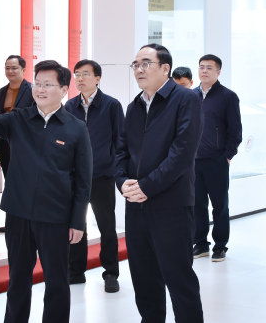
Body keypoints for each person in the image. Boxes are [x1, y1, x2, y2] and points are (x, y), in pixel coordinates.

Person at [0, 60, 92, 323]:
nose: (40, 89)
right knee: (18, 278)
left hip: (56, 217)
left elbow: (84, 181)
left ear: (64, 90)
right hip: (18, 213)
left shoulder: (76, 128)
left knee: (57, 281)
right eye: (37, 83)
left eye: (48, 84)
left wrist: (77, 221)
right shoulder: (19, 118)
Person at [116, 44, 204, 322]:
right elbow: (121, 151)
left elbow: (182, 153)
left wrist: (147, 186)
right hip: (136, 207)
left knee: (179, 279)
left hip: (171, 205)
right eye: (136, 64)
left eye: (146, 63)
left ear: (165, 68)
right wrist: (122, 182)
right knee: (143, 279)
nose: (139, 70)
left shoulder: (186, 100)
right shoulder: (134, 106)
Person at [65, 59, 124, 293]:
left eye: (85, 74)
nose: (80, 78)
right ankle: (76, 271)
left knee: (107, 227)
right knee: (76, 225)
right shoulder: (69, 106)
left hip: (102, 176)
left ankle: (111, 273)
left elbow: (120, 140)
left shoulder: (111, 105)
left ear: (98, 78)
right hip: (75, 177)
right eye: (77, 74)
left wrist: (115, 170)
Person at [193, 54, 242, 262]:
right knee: (197, 204)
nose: (204, 71)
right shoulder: (191, 96)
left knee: (219, 205)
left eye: (209, 68)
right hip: (193, 161)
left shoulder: (228, 96)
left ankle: (220, 245)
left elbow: (235, 130)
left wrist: (228, 155)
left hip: (217, 160)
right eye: (201, 67)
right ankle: (200, 244)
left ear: (218, 72)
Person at [0, 55, 34, 233]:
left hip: (25, 146)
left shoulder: (32, 90)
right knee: (10, 185)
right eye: (7, 68)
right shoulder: (0, 93)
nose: (10, 71)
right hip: (5, 145)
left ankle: (27, 222)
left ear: (23, 70)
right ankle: (12, 222)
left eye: (14, 68)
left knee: (25, 185)